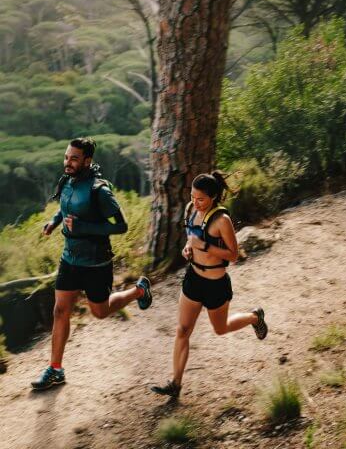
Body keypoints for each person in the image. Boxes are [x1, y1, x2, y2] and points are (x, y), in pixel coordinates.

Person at [31, 137, 152, 391]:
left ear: (87, 160)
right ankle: (55, 369)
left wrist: (84, 227)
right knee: (60, 311)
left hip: (96, 263)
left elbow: (121, 225)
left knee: (100, 311)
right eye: (66, 157)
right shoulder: (67, 181)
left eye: (74, 158)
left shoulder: (100, 190)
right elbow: (65, 207)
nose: (68, 162)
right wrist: (54, 222)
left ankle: (139, 290)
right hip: (70, 259)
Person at [151, 172, 268, 399]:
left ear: (213, 197)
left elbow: (233, 255)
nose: (195, 202)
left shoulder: (221, 220)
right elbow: (191, 237)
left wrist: (203, 246)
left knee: (220, 328)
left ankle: (255, 317)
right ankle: (175, 383)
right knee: (183, 330)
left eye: (201, 199)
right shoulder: (190, 209)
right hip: (193, 278)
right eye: (193, 197)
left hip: (216, 284)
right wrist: (189, 248)